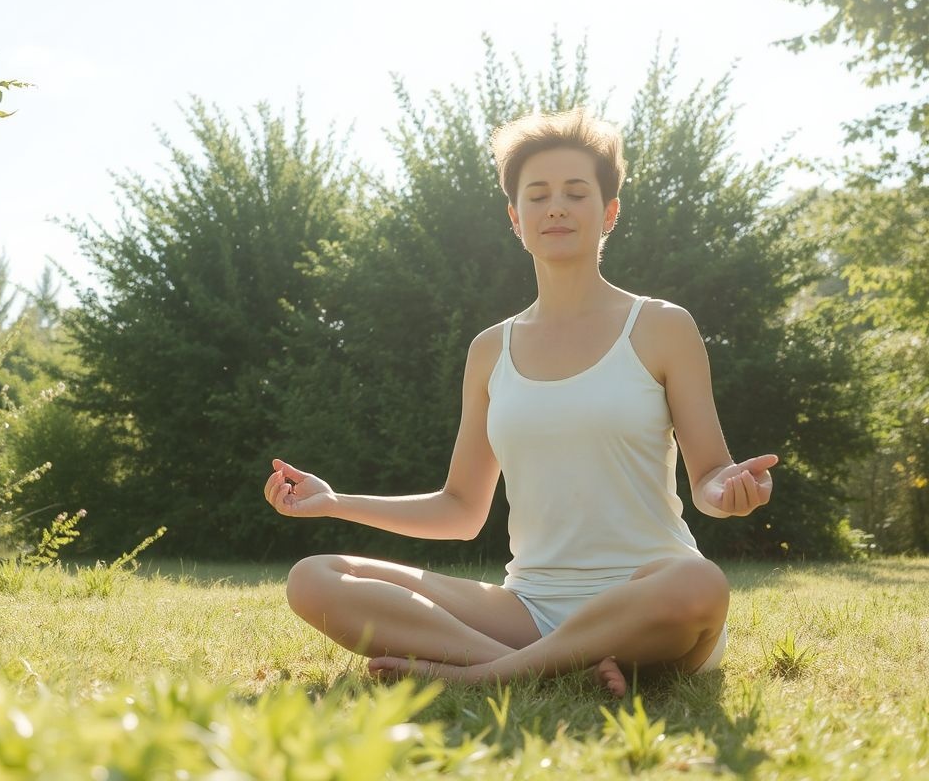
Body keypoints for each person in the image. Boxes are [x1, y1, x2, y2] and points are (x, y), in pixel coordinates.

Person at [261, 108, 776, 696]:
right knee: (317, 578)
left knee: (699, 582)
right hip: (528, 608)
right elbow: (460, 508)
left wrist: (728, 491)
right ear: (516, 218)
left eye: (575, 193)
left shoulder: (661, 327)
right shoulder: (490, 350)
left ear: (608, 213)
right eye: (538, 195)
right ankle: (554, 669)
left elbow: (709, 475)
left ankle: (487, 674)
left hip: (650, 599)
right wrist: (333, 503)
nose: (555, 207)